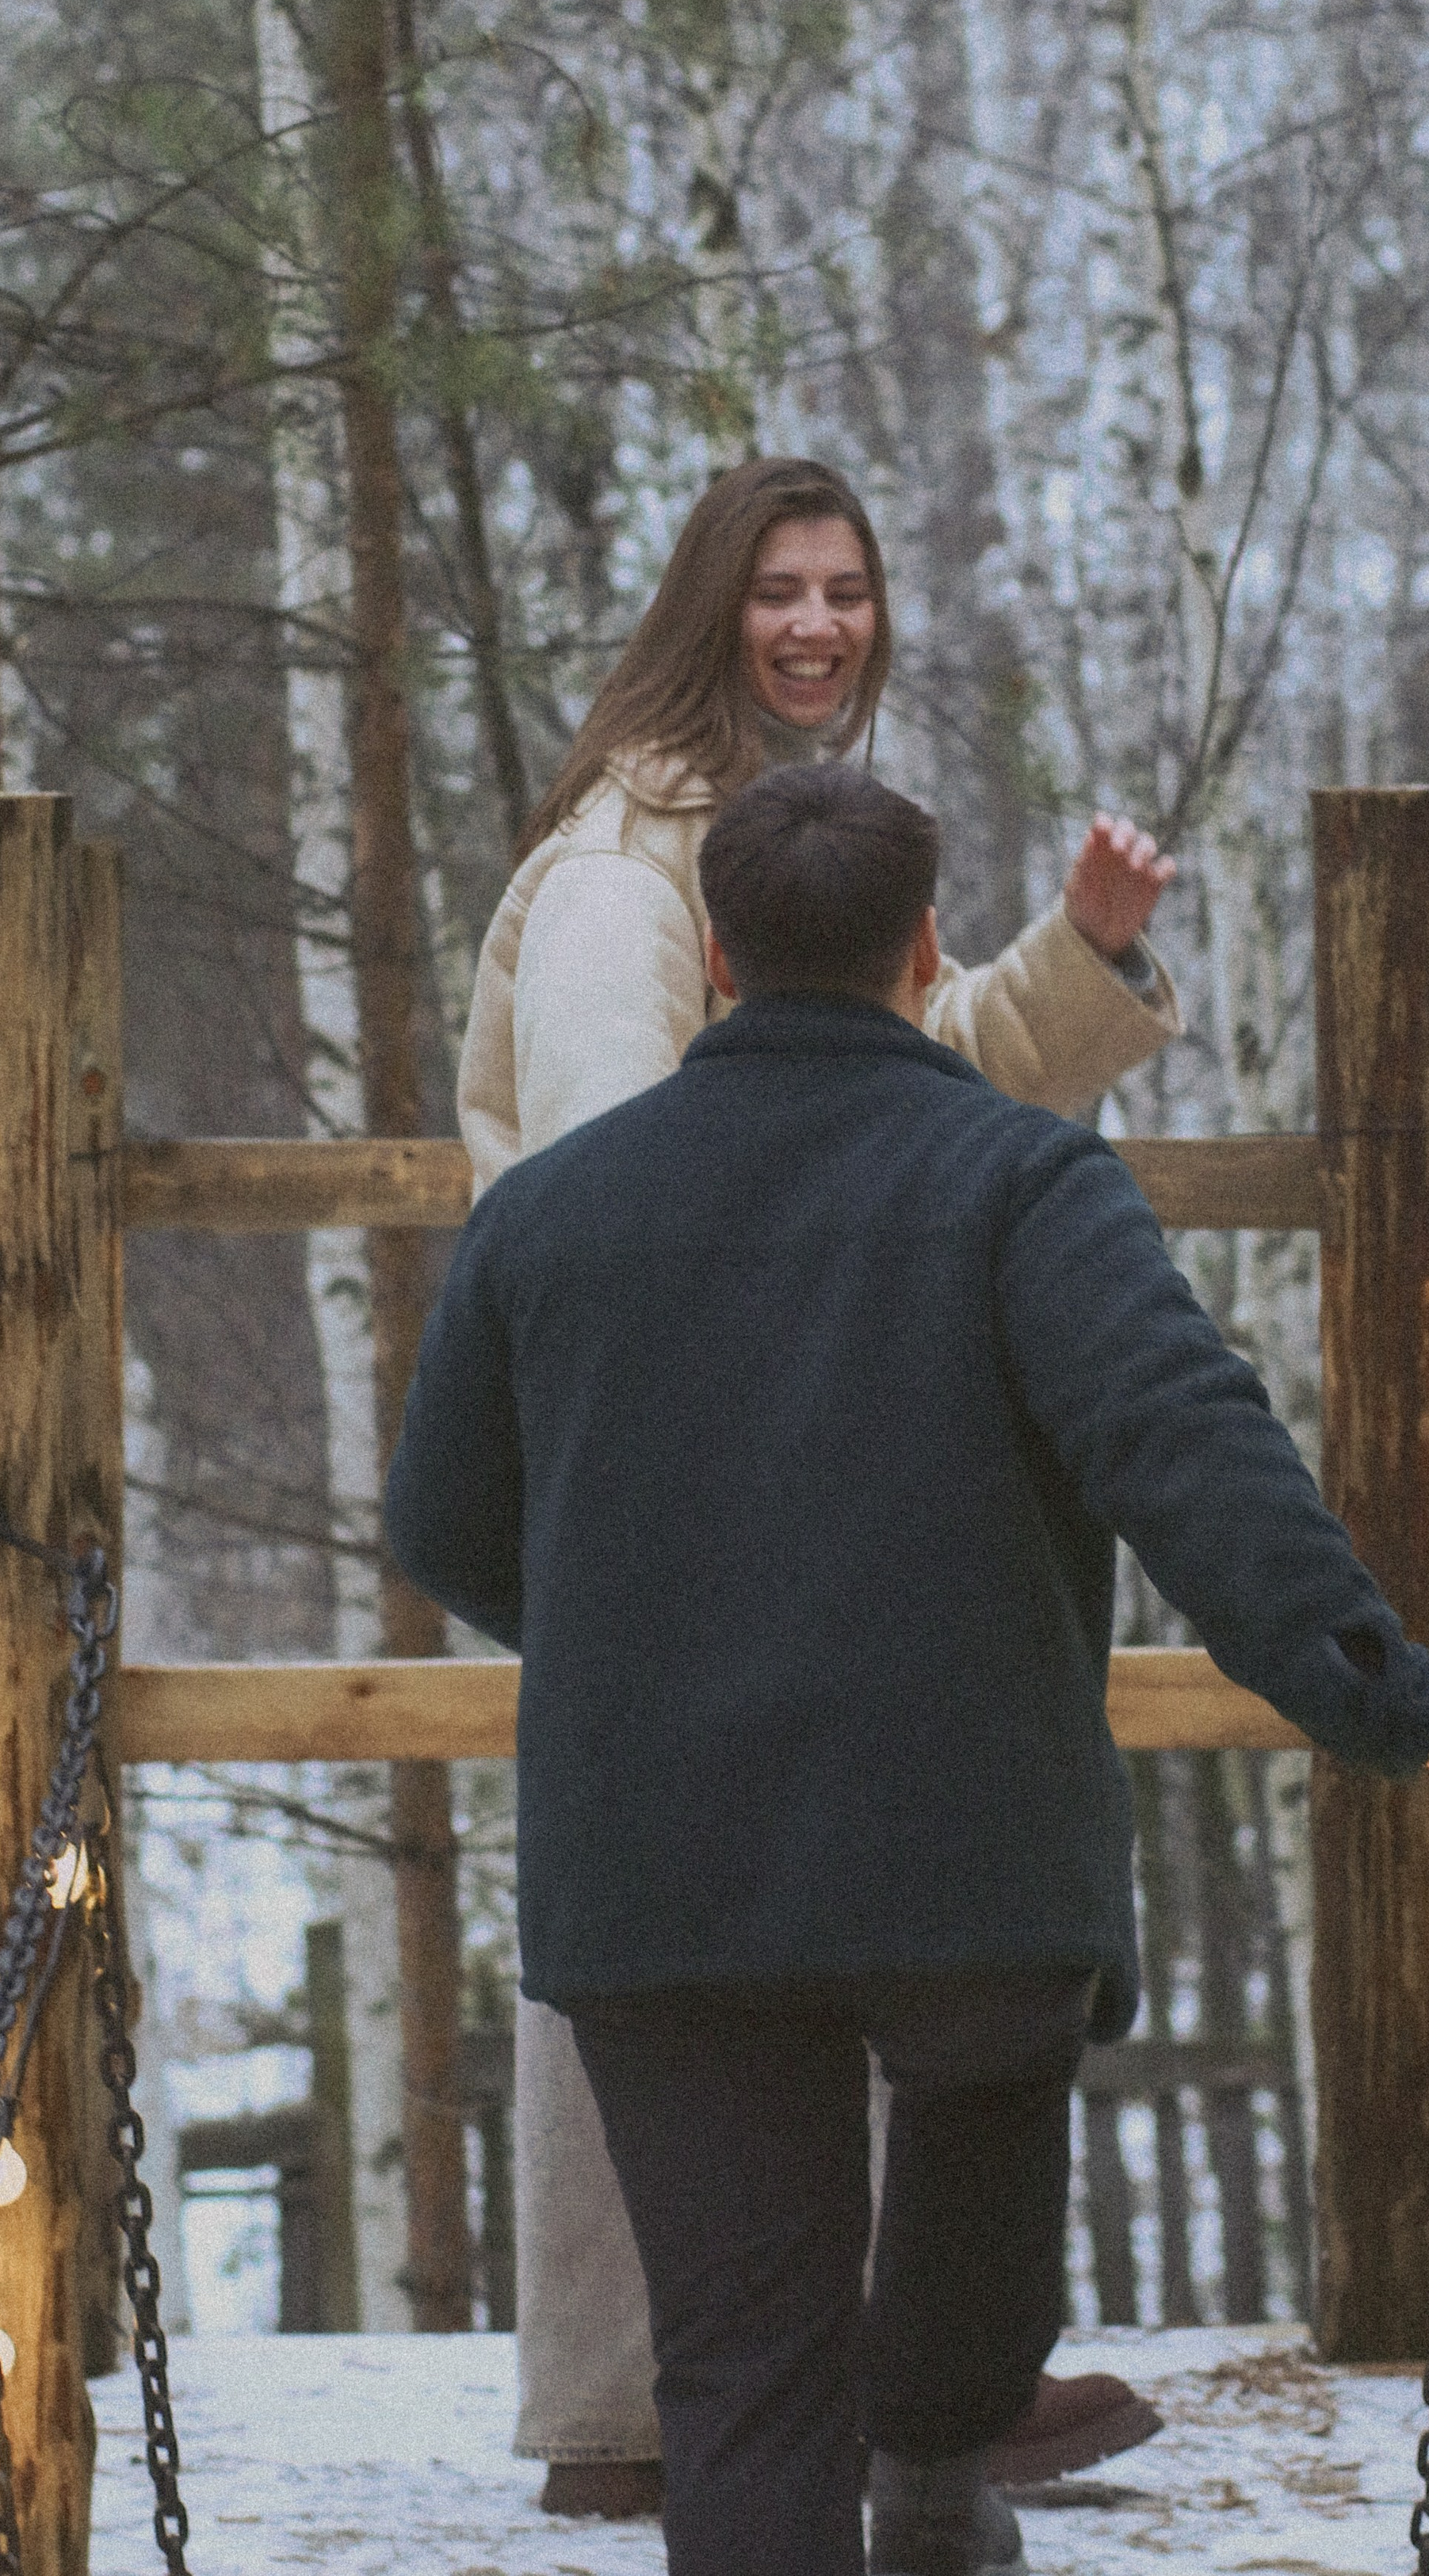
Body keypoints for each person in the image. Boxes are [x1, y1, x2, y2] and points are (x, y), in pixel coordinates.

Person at [391, 765, 1429, 2576]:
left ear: (713, 954)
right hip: (969, 1851)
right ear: (924, 946)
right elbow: (1187, 1446)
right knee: (979, 2124)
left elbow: (443, 1523)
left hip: (660, 1870)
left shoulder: (548, 1216)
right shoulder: (1023, 1180)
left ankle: (921, 2467)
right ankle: (939, 2465)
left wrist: (654, 1640)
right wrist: (1395, 1698)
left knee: (744, 2380)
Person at [454, 456, 1185, 2514]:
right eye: (779, 587)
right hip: (688, 1473)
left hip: (768, 1456)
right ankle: (646, 2407)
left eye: (848, 587)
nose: (819, 623)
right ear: (713, 605)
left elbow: (890, 1079)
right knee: (678, 1946)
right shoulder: (623, 879)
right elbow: (639, 1190)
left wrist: (1072, 961)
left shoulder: (765, 849)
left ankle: (873, 2374)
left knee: (757, 1924)